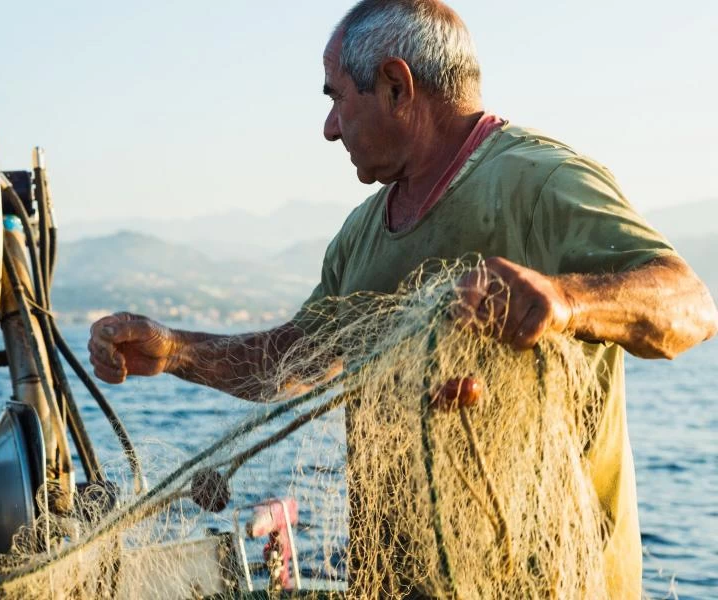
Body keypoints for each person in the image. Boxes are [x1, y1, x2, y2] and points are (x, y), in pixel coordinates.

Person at [87, 1, 718, 597]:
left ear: (396, 85)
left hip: (552, 581)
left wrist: (566, 299)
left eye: (337, 99)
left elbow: (690, 305)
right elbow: (300, 358)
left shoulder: (540, 182)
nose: (330, 128)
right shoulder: (359, 236)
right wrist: (173, 351)